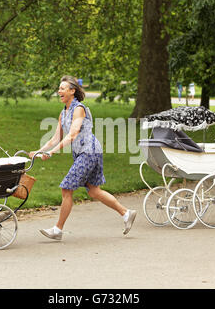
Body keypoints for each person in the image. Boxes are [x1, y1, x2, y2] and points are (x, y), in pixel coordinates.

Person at [29, 75, 137, 240]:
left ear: (72, 91)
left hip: (89, 152)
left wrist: (52, 152)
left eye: (63, 88)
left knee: (66, 188)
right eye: (59, 88)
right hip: (85, 153)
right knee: (94, 191)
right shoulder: (63, 112)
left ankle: (57, 230)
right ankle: (126, 213)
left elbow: (72, 134)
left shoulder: (79, 108)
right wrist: (39, 150)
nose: (59, 91)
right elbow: (56, 137)